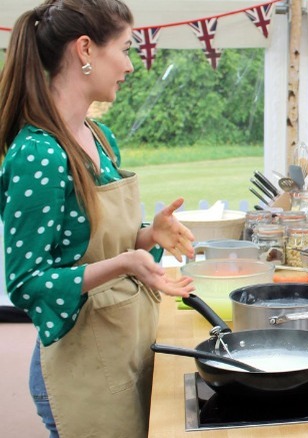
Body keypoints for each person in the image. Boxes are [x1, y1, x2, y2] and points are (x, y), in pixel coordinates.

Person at [0, 1, 196, 437]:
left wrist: (147, 237)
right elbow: (27, 281)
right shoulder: (39, 154)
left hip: (124, 346)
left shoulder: (99, 138)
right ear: (85, 49)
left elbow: (96, 245)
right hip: (80, 364)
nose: (129, 65)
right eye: (125, 49)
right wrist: (127, 263)